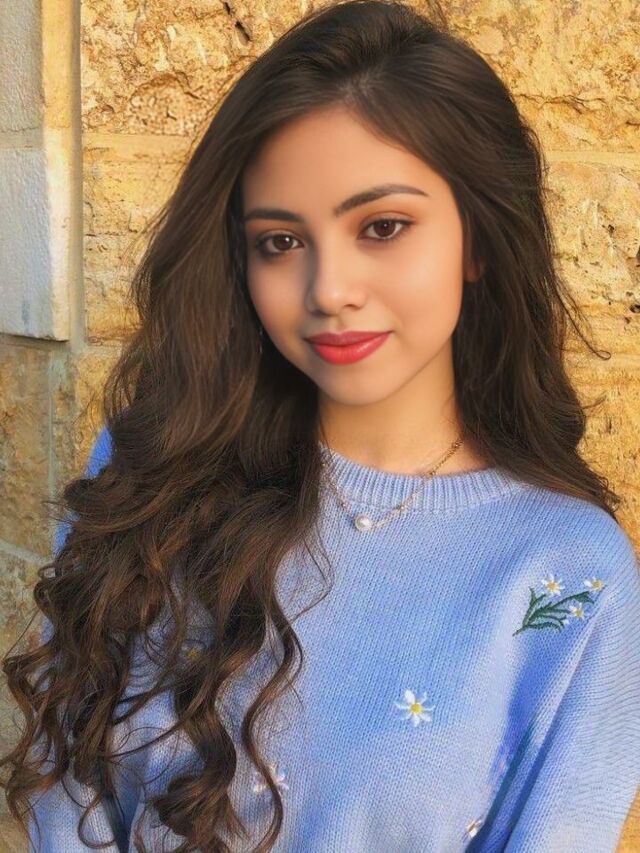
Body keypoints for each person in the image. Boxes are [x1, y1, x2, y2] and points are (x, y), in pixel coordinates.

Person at [2, 1, 639, 851]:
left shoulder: (567, 575)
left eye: (383, 227)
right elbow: (65, 792)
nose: (329, 288)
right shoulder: (152, 468)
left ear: (479, 239)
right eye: (279, 241)